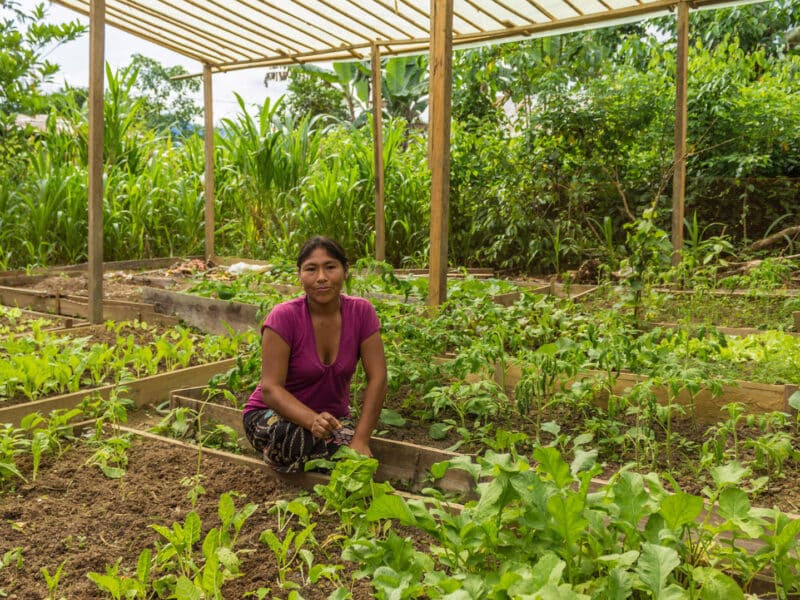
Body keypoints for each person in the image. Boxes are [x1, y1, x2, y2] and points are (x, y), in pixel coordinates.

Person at [242, 236, 387, 473]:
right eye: (311, 269)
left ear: (345, 271)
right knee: (299, 440)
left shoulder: (361, 312)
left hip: (330, 420)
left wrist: (361, 440)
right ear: (300, 275)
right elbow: (270, 389)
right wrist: (311, 420)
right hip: (274, 416)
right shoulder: (283, 317)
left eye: (330, 267)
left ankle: (317, 462)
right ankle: (302, 460)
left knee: (349, 448)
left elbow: (378, 377)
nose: (321, 277)